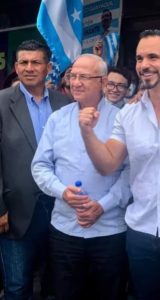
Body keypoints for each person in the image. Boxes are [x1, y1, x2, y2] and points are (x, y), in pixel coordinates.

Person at [79, 29, 160, 300]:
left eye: (153, 56)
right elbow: (108, 164)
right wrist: (87, 133)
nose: (144, 65)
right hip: (139, 233)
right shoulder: (128, 113)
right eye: (139, 58)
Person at [31, 54, 131, 300]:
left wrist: (102, 206)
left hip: (108, 230)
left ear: (104, 82)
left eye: (84, 77)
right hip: (65, 229)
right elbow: (40, 166)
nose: (75, 82)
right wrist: (62, 191)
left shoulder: (122, 119)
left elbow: (131, 172)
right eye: (72, 76)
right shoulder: (58, 119)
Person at [0, 40, 70, 299]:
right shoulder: (1, 102)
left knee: (56, 284)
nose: (29, 68)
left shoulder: (65, 103)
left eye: (36, 62)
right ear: (16, 67)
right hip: (15, 212)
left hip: (59, 210)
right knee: (17, 287)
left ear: (47, 67)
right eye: (23, 62)